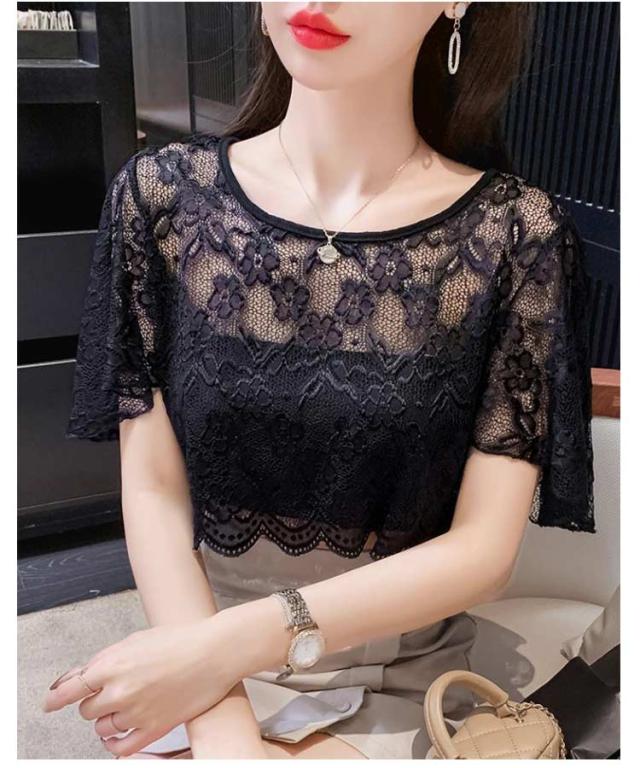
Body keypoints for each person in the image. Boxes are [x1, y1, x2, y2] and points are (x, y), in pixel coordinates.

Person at [42, 1, 595, 760]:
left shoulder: (514, 236)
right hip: (197, 666)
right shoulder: (162, 199)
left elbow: (483, 551)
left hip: (395, 674)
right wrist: (222, 722)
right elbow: (154, 491)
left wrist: (227, 649)